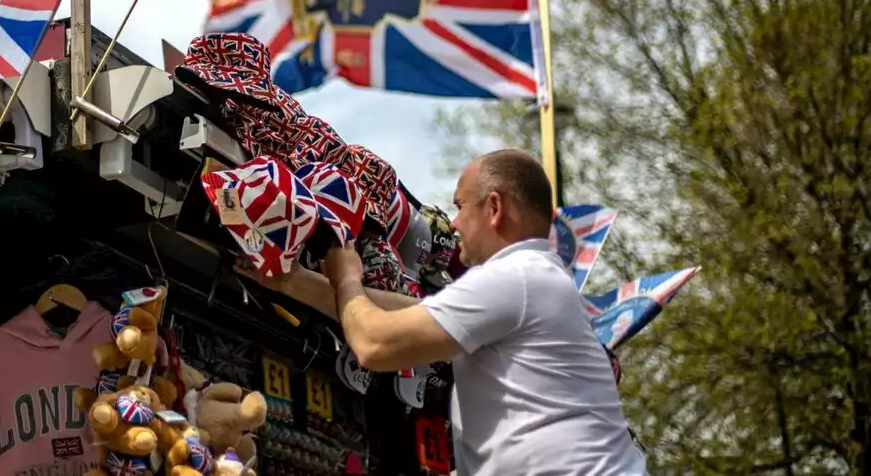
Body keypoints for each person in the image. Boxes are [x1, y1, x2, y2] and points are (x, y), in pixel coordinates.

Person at [247, 150, 646, 475]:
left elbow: (374, 342)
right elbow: (414, 314)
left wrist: (347, 277)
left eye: (459, 206)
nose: (453, 224)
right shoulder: (534, 278)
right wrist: (295, 282)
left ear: (494, 207)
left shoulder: (519, 277)